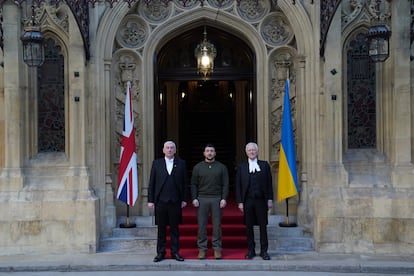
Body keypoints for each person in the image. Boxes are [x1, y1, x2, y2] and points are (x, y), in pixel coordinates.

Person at [147, 141, 188, 262]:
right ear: (163, 150)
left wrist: (184, 199)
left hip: (175, 201)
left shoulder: (181, 164)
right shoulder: (156, 164)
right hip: (160, 201)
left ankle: (175, 252)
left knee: (175, 229)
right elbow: (152, 183)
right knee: (161, 229)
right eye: (167, 148)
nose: (169, 150)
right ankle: (161, 253)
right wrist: (150, 200)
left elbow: (185, 183)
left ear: (175, 150)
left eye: (172, 148)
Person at [235, 142, 273, 260]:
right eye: (249, 150)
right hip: (248, 201)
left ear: (257, 152)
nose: (252, 152)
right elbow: (238, 186)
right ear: (246, 152)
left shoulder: (264, 165)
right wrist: (240, 202)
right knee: (249, 226)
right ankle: (251, 250)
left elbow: (269, 184)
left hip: (261, 201)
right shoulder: (242, 167)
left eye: (253, 150)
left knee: (263, 226)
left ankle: (264, 251)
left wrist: (270, 199)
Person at [191, 143, 229, 260]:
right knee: (202, 225)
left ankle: (217, 249)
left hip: (216, 199)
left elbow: (225, 184)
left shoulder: (221, 167)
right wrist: (194, 198)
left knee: (217, 225)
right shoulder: (198, 167)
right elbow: (193, 184)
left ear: (215, 153)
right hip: (202, 198)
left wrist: (224, 198)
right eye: (207, 151)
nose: (209, 153)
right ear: (204, 153)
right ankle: (202, 249)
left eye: (212, 151)